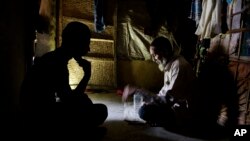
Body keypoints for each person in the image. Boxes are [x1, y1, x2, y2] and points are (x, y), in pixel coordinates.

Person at [20, 21, 108, 134]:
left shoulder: (53, 58)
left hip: (35, 114)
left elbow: (70, 98)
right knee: (100, 110)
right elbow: (70, 102)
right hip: (38, 120)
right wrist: (86, 76)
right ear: (76, 43)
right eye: (86, 43)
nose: (88, 49)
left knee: (84, 100)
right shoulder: (57, 64)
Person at [122, 36, 198, 129]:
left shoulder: (178, 66)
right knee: (145, 106)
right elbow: (164, 92)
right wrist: (151, 101)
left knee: (144, 112)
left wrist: (139, 91)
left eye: (155, 55)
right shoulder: (169, 63)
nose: (153, 59)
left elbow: (168, 99)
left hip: (180, 111)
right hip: (171, 105)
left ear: (165, 52)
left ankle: (169, 123)